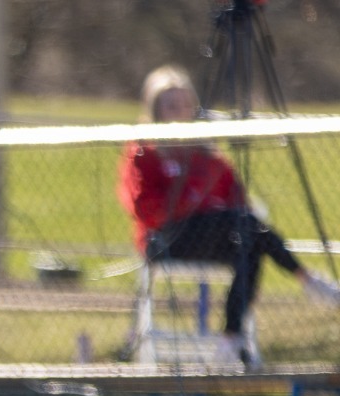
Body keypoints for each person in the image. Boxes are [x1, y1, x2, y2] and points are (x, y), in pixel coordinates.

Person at [119, 65, 340, 350]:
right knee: (246, 227)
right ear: (156, 108)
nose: (180, 111)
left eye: (185, 104)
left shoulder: (204, 150)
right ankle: (308, 280)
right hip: (166, 239)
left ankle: (231, 338)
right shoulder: (144, 151)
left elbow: (236, 195)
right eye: (171, 105)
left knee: (249, 244)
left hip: (211, 232)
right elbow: (146, 209)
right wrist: (195, 202)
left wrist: (208, 205)